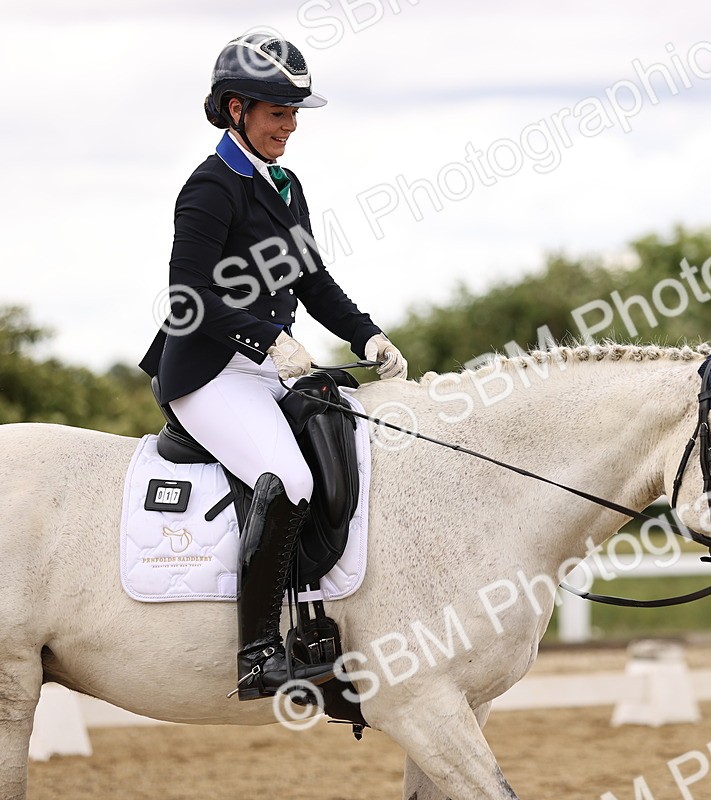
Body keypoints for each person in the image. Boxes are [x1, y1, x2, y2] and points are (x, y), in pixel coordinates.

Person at [140, 33, 408, 701]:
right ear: (236, 109)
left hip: (262, 369)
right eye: (277, 113)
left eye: (293, 115)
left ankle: (319, 633)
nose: (289, 127)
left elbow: (311, 280)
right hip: (209, 373)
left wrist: (368, 335)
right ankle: (257, 655)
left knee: (348, 448)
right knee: (288, 479)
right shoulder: (210, 187)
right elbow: (188, 296)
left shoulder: (285, 185)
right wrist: (272, 341)